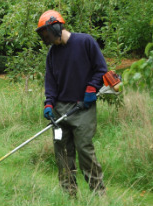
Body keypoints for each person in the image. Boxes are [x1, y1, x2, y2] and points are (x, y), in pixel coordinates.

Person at [35, 10, 107, 197]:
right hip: (60, 110)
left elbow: (101, 70)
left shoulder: (85, 42)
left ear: (56, 27)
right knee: (62, 154)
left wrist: (91, 89)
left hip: (83, 108)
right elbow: (50, 83)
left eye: (48, 34)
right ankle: (70, 196)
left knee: (84, 151)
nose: (48, 39)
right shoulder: (52, 53)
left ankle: (99, 195)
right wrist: (48, 104)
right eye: (45, 37)